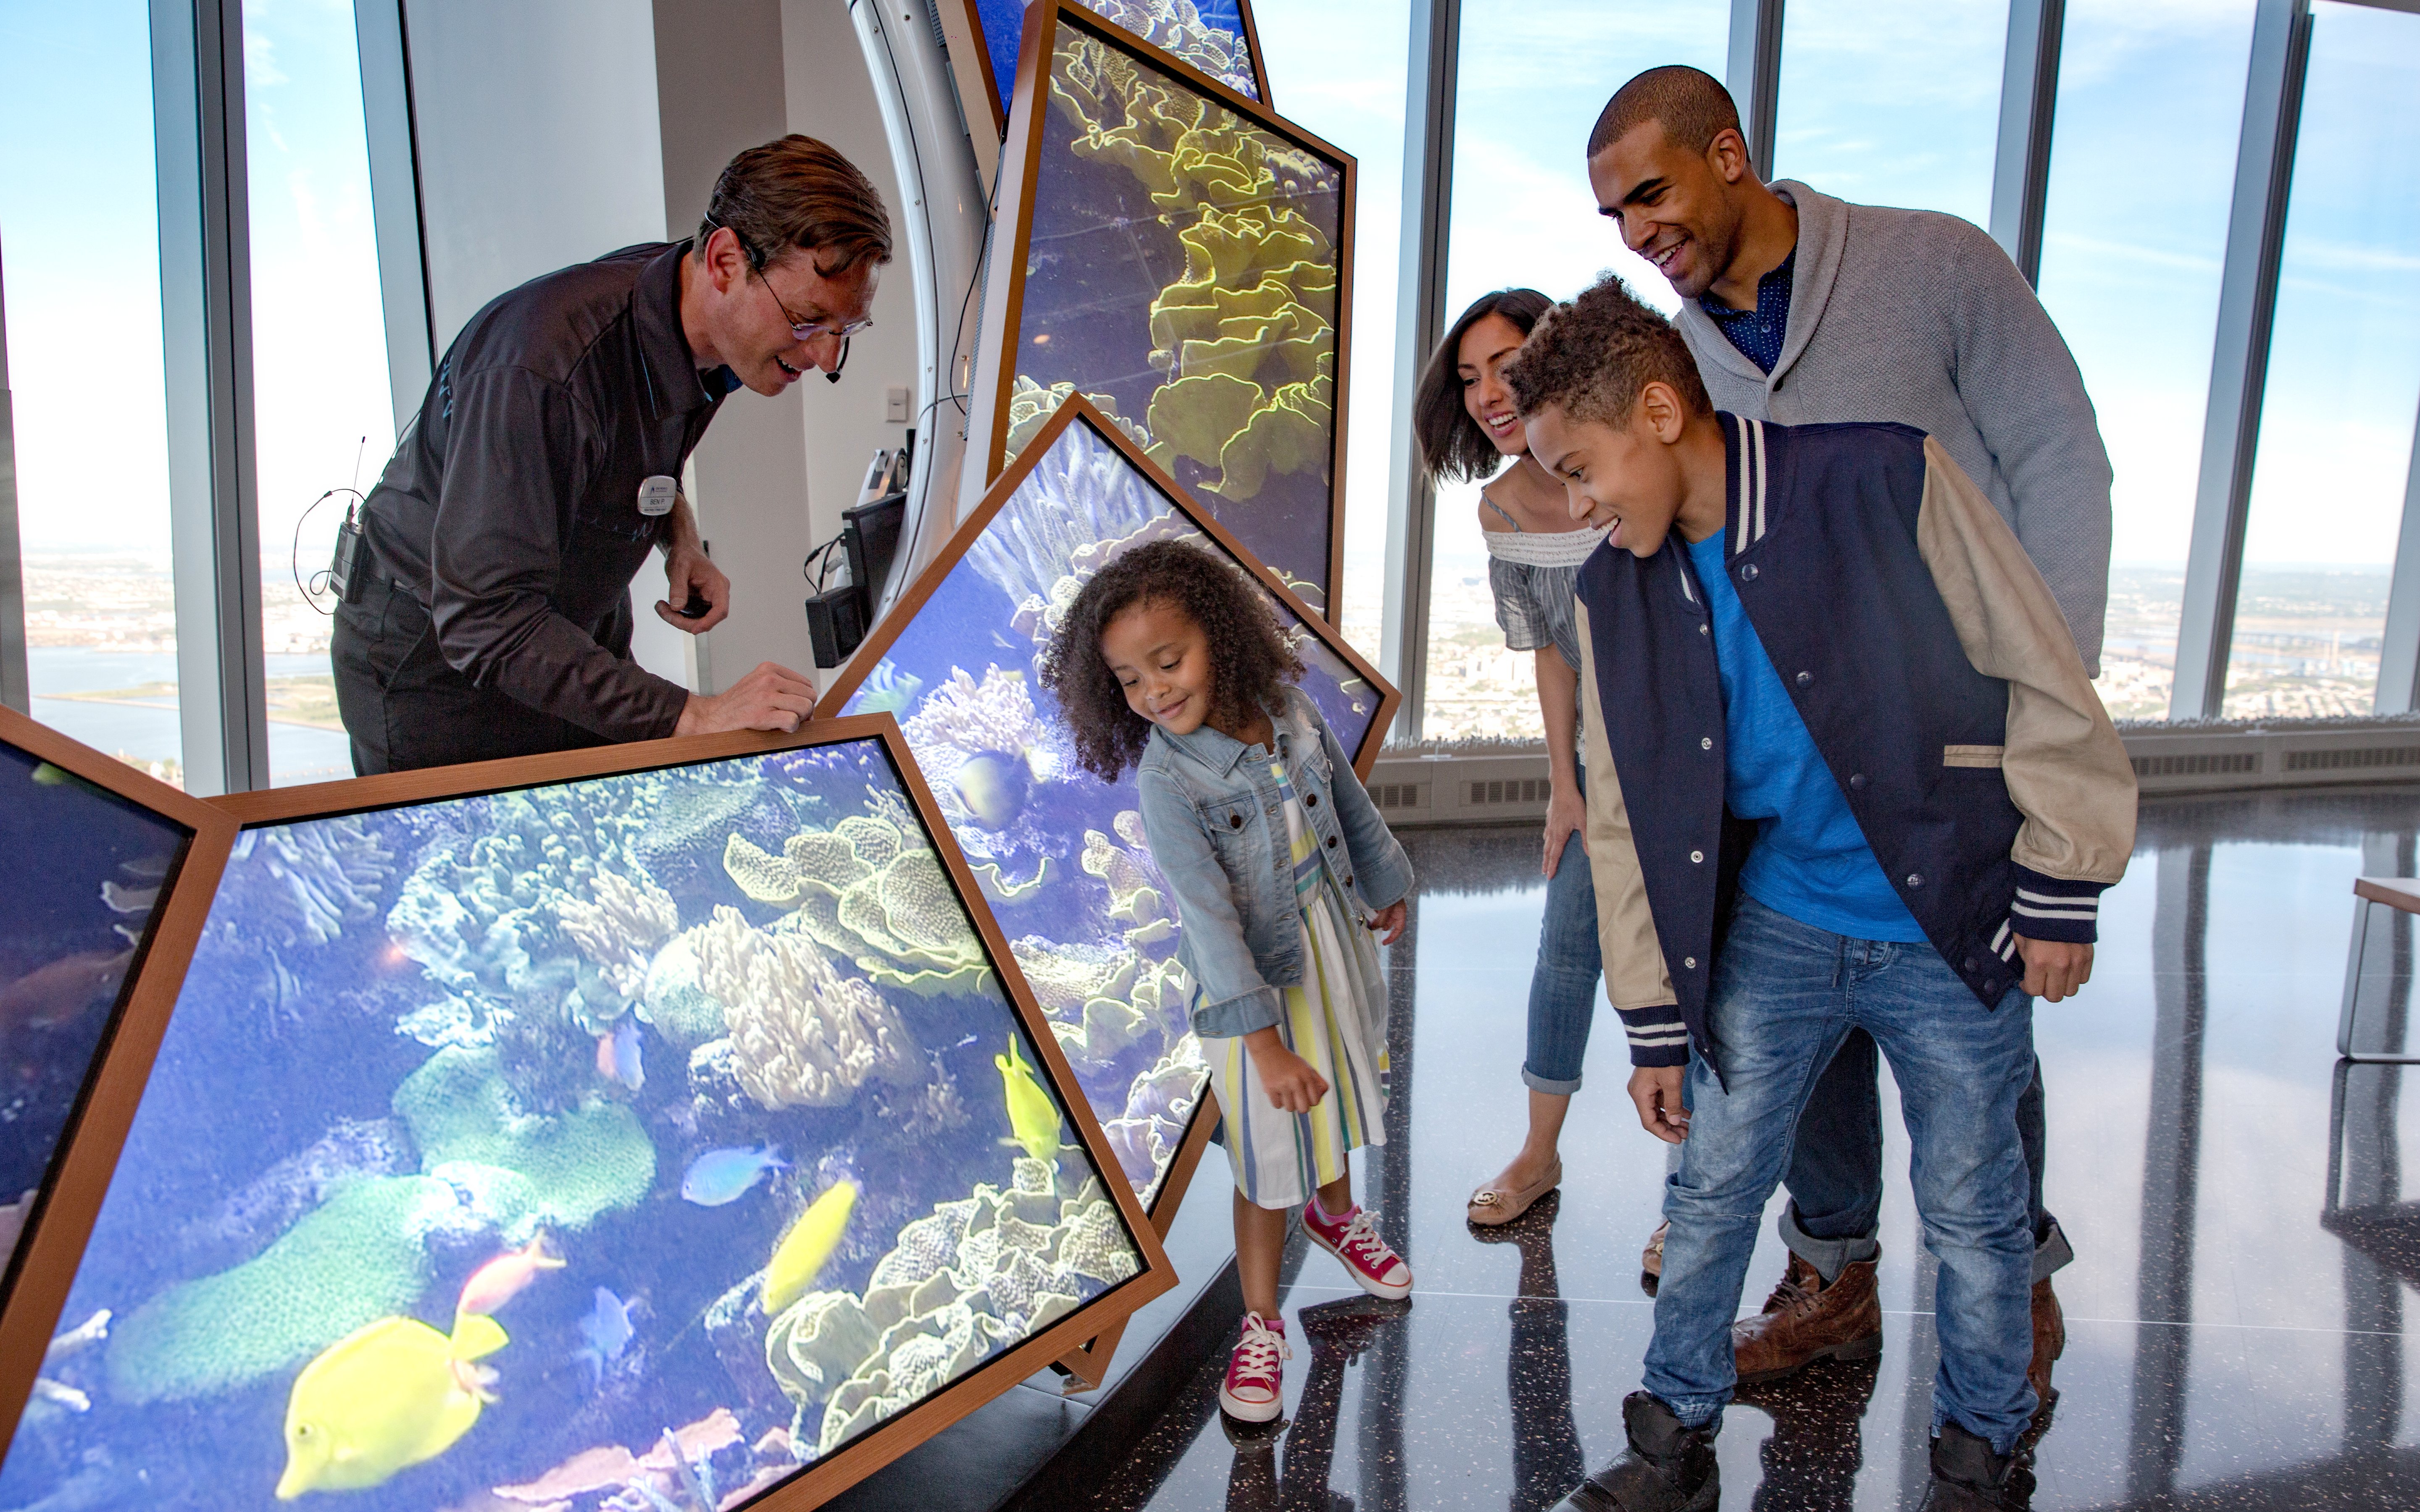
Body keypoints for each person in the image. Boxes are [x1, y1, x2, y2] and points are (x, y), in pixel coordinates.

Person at [1505, 276, 2133, 1510]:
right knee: (1712, 1187)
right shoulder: (1616, 587)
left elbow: (2036, 662)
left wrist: (2064, 878)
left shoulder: (1886, 476)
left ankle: (1982, 1448)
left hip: (1948, 922)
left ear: (1659, 411)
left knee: (1973, 1208)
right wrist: (1654, 1019)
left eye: (1584, 469)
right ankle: (1671, 1435)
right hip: (1781, 927)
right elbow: (1625, 815)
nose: (1577, 504)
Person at [1585, 65, 2116, 1399]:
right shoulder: (1680, 353)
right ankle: (1834, 1273)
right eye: (1617, 219)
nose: (1643, 233)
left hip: (1954, 761)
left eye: (1654, 193)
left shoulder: (1935, 265)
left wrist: (2037, 718)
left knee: (1980, 1030)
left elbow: (2061, 461)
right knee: (1795, 1032)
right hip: (1784, 788)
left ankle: (2017, 1280)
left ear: (1730, 153)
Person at [333, 134, 889, 774]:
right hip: (437, 666)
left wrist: (678, 535)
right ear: (725, 262)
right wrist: (698, 716)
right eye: (806, 321)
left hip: (565, 627)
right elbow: (483, 620)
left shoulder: (702, 325)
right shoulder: (540, 368)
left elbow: (620, 441)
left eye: (843, 332)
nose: (822, 357)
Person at [1038, 539, 1417, 1426]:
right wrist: (1262, 1043)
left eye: (1168, 662)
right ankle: (1261, 1325)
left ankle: (1337, 1217)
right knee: (1266, 1154)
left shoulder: (1285, 708)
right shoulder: (1168, 782)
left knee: (1337, 1099)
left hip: (1327, 941)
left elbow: (1346, 805)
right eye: (1130, 680)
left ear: (1222, 636)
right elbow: (1210, 923)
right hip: (1250, 985)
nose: (1154, 691)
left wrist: (1386, 878)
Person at [1413, 288, 1611, 1228]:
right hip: (1599, 769)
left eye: (1504, 364)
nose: (1488, 391)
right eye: (1469, 377)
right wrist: (1562, 789)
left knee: (1702, 972)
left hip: (1688, 758)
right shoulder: (1502, 507)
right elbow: (1550, 652)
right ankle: (1539, 1155)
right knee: (1566, 952)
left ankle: (1693, 1194)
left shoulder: (1622, 468)